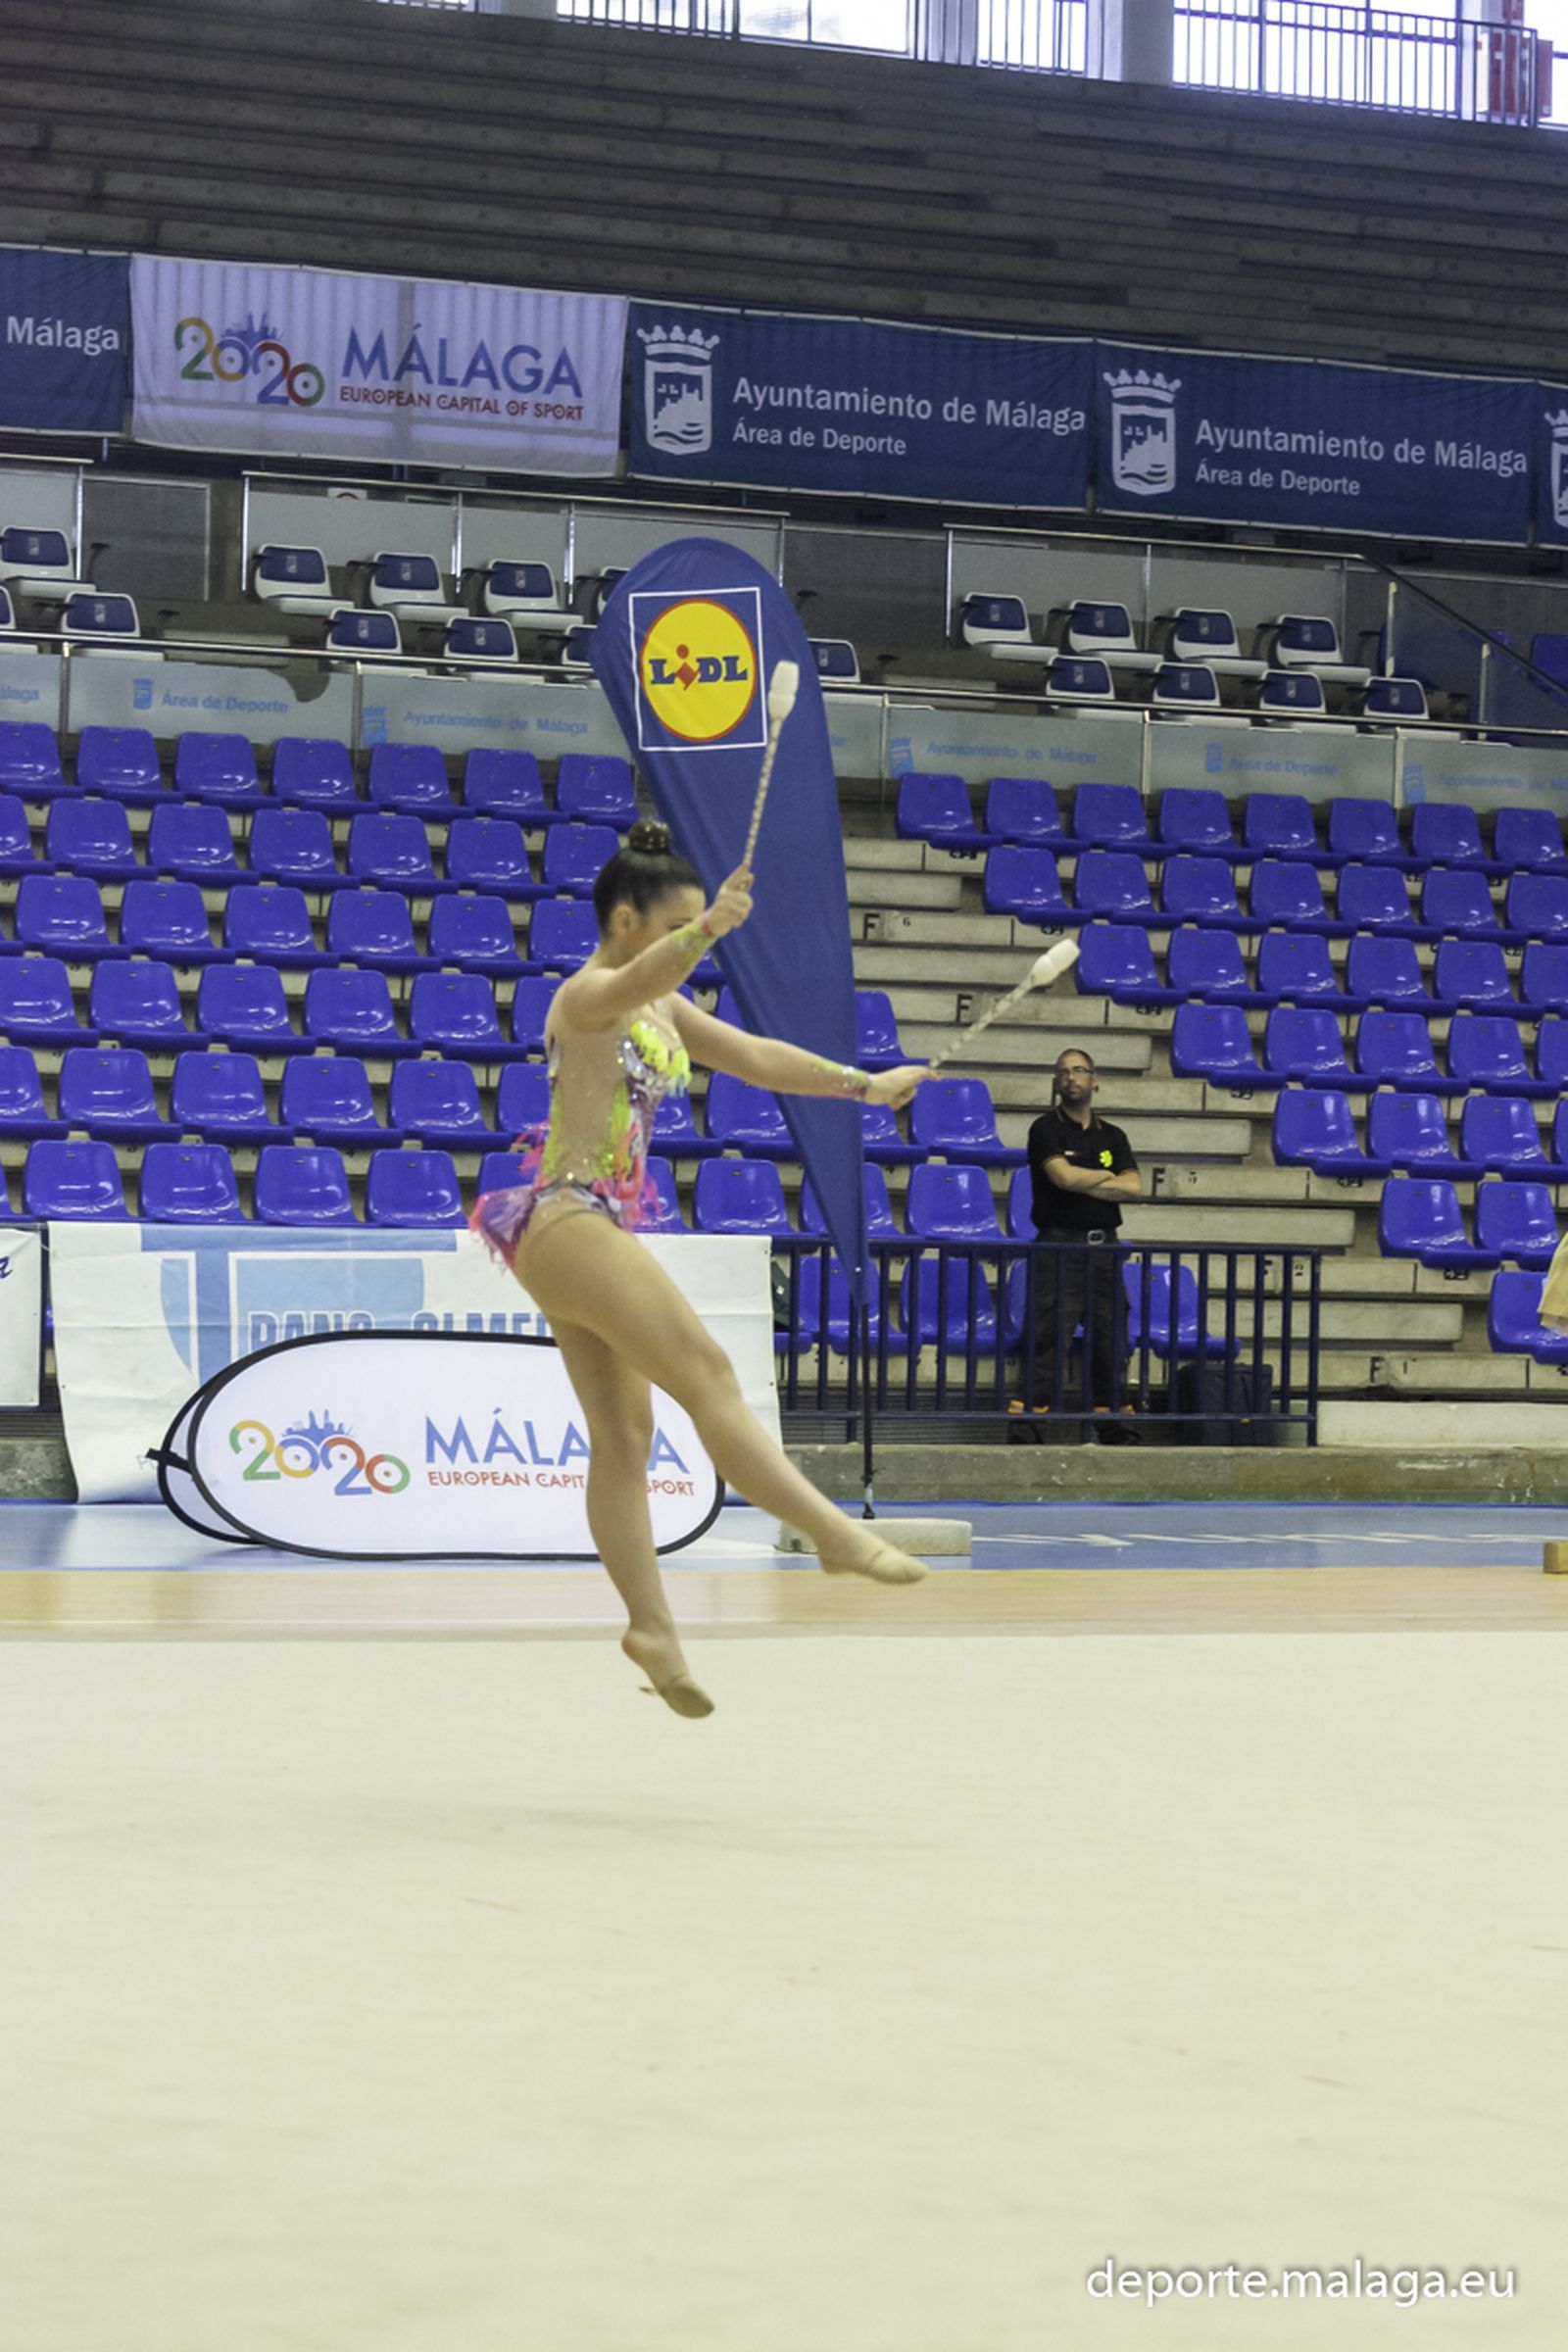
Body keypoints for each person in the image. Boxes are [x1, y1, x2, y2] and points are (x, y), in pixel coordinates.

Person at [470, 820, 935, 1720]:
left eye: (697, 930)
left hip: (583, 1227)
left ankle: (651, 1628)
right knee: (710, 1375)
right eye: (676, 929)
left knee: (624, 1439)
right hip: (566, 1215)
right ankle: (832, 1533)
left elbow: (756, 1059)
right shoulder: (589, 993)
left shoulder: (663, 1005)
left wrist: (863, 1085)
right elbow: (647, 975)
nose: (690, 948)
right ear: (625, 920)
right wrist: (711, 927)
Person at [1015, 1047, 1143, 1441]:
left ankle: (1113, 1423)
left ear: (1094, 1079)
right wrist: (1107, 1178)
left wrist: (1084, 1179)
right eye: (1064, 1072)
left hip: (1104, 1249)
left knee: (1111, 1338)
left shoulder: (1114, 1135)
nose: (1071, 1078)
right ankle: (1029, 1427)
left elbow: (1135, 1186)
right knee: (1047, 1338)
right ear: (1056, 1083)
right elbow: (1062, 1178)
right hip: (1059, 1247)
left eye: (1079, 1070)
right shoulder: (1044, 1129)